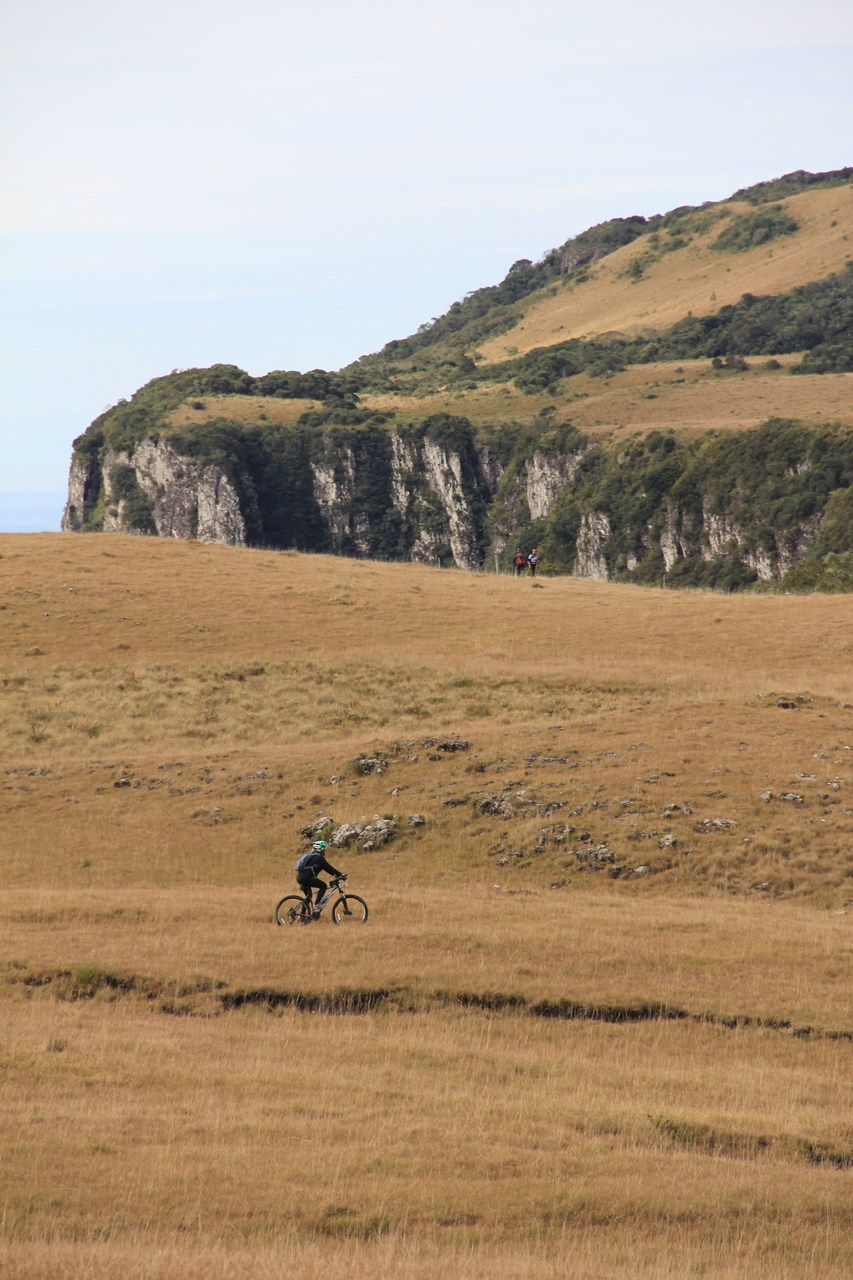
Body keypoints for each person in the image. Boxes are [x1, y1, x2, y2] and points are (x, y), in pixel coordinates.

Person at [295, 840, 346, 917]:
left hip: (300, 878)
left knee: (308, 897)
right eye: (325, 850)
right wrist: (340, 874)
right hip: (307, 878)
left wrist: (336, 874)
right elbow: (328, 868)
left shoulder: (311, 857)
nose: (325, 852)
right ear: (321, 849)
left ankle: (303, 917)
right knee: (323, 886)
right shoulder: (319, 858)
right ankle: (317, 905)